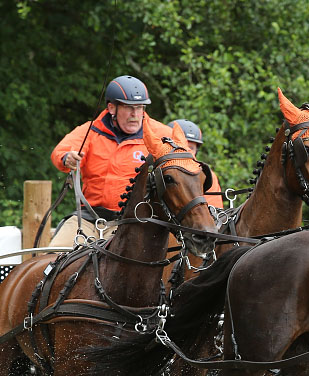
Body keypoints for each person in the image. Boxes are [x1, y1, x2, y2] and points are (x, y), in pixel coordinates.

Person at [46, 75, 172, 247]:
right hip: (90, 219)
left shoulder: (162, 134)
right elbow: (61, 152)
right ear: (112, 108)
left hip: (134, 222)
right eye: (129, 108)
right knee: (52, 255)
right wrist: (67, 158)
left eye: (140, 108)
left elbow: (186, 166)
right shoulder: (91, 130)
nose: (135, 115)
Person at [168, 119, 224, 210]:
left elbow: (214, 211)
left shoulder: (206, 175)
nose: (187, 152)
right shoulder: (158, 172)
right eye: (182, 147)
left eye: (190, 148)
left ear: (196, 151)